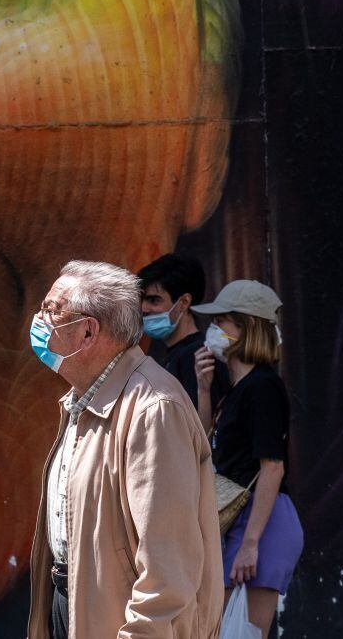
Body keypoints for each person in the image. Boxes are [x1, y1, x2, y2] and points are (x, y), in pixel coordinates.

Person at [26, 260, 223, 639]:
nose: (40, 319)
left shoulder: (153, 409)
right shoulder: (83, 401)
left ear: (88, 331)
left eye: (53, 309)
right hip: (73, 604)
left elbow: (169, 566)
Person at [191, 279, 303, 637]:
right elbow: (207, 445)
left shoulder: (263, 387)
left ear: (247, 328)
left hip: (261, 521)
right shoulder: (239, 387)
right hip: (242, 519)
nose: (213, 330)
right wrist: (204, 389)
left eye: (222, 322)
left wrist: (251, 543)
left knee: (242, 631)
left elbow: (272, 467)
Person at [138, 253, 230, 408]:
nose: (144, 308)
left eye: (154, 300)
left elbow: (200, 428)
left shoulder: (198, 356)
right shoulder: (177, 354)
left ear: (184, 302)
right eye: (142, 300)